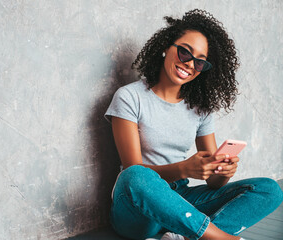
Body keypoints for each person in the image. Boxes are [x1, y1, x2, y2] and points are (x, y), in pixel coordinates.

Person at [104, 9, 283, 240]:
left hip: (182, 198)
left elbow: (214, 182)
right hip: (138, 207)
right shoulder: (129, 97)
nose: (189, 64)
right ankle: (220, 238)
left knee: (269, 189)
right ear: (166, 47)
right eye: (184, 52)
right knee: (135, 175)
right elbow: (133, 168)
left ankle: (185, 236)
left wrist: (223, 171)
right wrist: (183, 169)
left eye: (199, 63)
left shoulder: (200, 109)